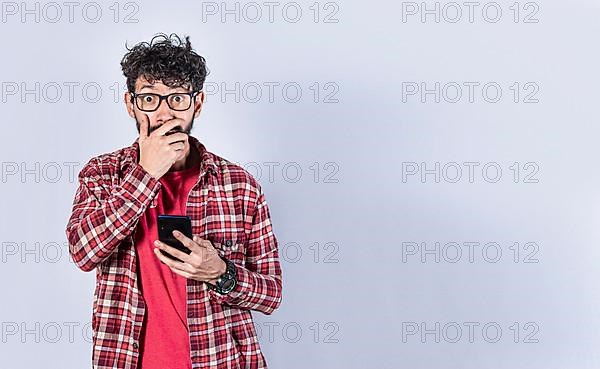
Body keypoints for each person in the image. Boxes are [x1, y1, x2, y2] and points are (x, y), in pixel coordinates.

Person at [65, 33, 283, 369]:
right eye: (150, 98)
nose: (165, 113)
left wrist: (222, 273)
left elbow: (271, 293)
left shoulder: (239, 185)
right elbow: (83, 251)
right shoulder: (102, 172)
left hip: (220, 360)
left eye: (177, 99)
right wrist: (145, 173)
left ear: (197, 104)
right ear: (130, 103)